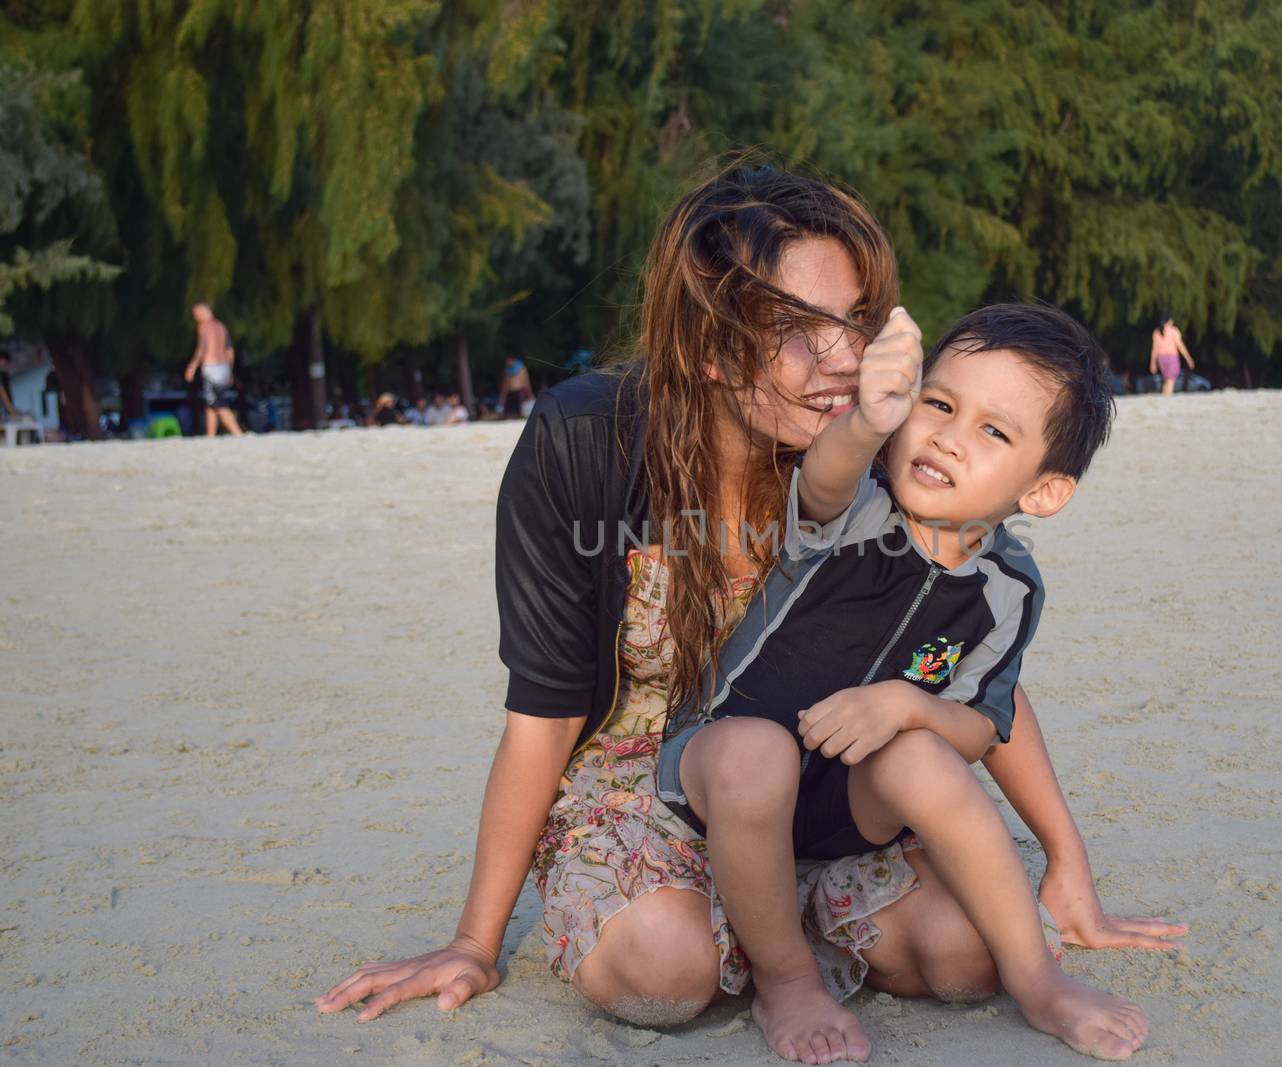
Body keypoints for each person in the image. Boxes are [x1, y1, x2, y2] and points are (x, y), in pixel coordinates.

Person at [316, 162, 1184, 1062]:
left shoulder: (903, 444)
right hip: (657, 787)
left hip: (835, 785)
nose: (844, 359)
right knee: (665, 970)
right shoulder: (588, 441)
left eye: (853, 319)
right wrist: (475, 941)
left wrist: (1066, 858)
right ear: (708, 346)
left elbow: (965, 659)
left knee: (964, 960)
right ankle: (769, 954)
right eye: (797, 332)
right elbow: (544, 709)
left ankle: (791, 919)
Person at [658, 303, 1157, 1060]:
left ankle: (1040, 979)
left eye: (994, 431)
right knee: (756, 753)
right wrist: (866, 418)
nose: (950, 437)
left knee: (920, 750)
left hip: (850, 813)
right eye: (940, 403)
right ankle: (788, 981)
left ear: (1044, 491)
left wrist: (905, 703)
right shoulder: (856, 506)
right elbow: (825, 474)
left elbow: (982, 725)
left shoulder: (1008, 586)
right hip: (719, 777)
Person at [183, 302, 245, 436]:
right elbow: (229, 350)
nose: (196, 318)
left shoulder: (204, 326)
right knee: (210, 405)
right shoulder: (221, 326)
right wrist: (230, 370)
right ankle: (210, 436)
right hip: (223, 368)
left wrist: (192, 366)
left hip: (212, 368)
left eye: (196, 314)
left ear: (203, 312)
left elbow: (202, 348)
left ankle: (238, 433)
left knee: (219, 404)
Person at [1148, 314, 1194, 396]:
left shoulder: (1156, 332)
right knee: (1170, 380)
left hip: (1161, 359)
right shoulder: (1173, 331)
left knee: (1166, 380)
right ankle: (1167, 397)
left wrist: (1153, 363)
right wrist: (1188, 358)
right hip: (1172, 357)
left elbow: (1154, 350)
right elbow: (1180, 346)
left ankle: (1165, 395)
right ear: (1169, 321)